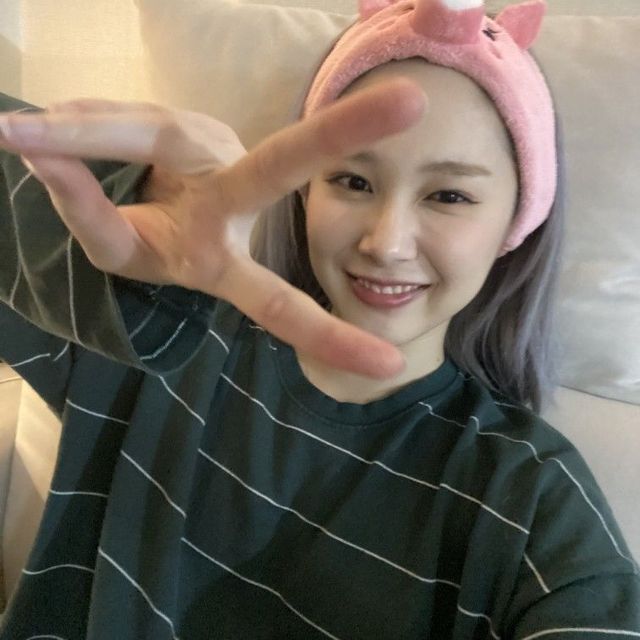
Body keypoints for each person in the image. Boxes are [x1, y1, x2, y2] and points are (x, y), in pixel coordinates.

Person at [0, 0, 638, 637]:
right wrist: (117, 196)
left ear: (515, 225)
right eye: (353, 181)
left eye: (449, 195)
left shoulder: (529, 492)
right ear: (307, 190)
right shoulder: (163, 326)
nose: (386, 243)